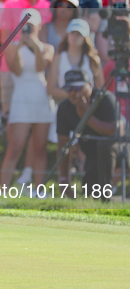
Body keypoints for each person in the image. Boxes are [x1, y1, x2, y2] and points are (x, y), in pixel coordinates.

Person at [0, 10, 54, 189]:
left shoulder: (47, 48)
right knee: (15, 147)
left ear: (38, 26)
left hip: (41, 99)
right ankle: (4, 190)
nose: (27, 28)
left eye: (31, 25)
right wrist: (21, 47)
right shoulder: (12, 46)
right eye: (24, 25)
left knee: (39, 149)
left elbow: (40, 67)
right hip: (21, 98)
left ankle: (39, 190)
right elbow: (17, 70)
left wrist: (35, 47)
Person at [56, 68, 116, 199]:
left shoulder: (105, 98)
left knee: (104, 145)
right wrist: (64, 180)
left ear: (90, 85)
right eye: (69, 88)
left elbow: (114, 131)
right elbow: (63, 145)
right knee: (89, 194)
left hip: (118, 153)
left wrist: (86, 116)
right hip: (92, 155)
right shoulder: (65, 108)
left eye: (78, 87)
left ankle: (107, 197)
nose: (74, 93)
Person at [47, 18, 104, 102]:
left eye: (79, 34)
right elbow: (50, 89)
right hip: (64, 107)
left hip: (87, 108)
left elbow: (101, 88)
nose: (75, 37)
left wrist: (87, 94)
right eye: (72, 33)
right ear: (67, 35)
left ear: (85, 38)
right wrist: (73, 95)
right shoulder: (58, 59)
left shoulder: (93, 59)